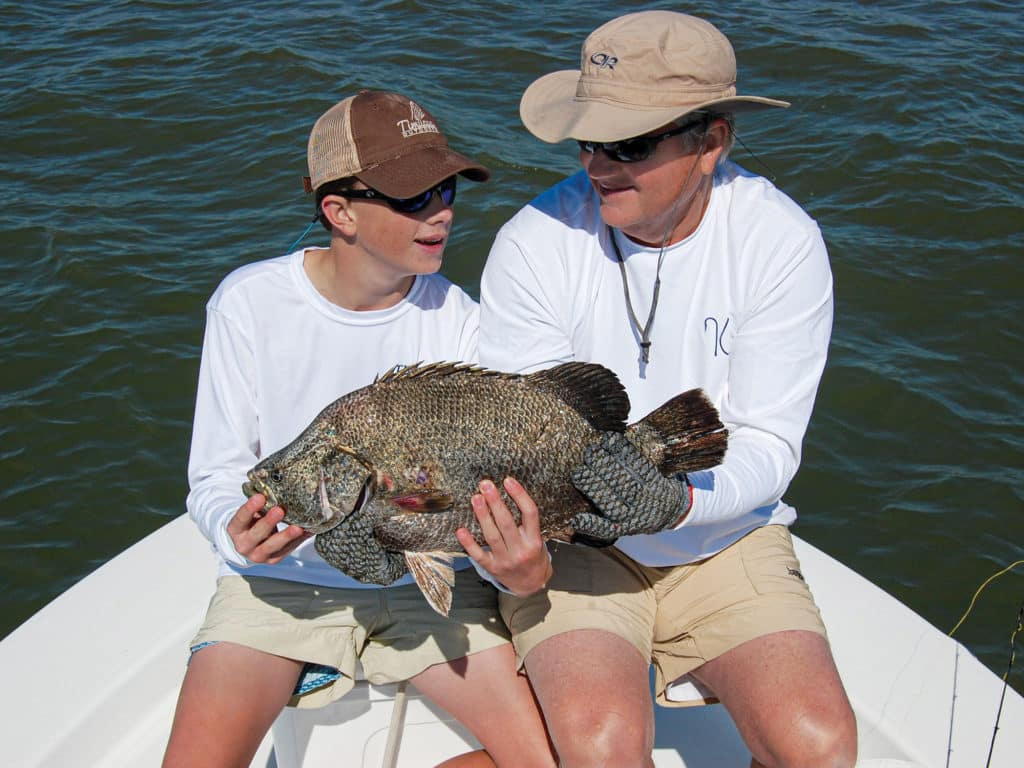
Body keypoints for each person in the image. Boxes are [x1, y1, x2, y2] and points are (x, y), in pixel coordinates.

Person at [474, 11, 857, 768]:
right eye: (589, 139)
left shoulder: (781, 242)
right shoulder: (533, 242)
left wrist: (681, 504)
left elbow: (769, 445)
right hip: (577, 543)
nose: (598, 163)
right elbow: (521, 440)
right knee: (603, 746)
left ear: (711, 142)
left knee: (819, 745)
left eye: (631, 144)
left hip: (726, 535)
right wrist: (515, 556)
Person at [164, 89, 555, 768]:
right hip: (283, 587)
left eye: (446, 189)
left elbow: (488, 487)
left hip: (430, 589)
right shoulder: (248, 303)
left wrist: (519, 559)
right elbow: (216, 474)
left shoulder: (462, 323)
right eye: (410, 198)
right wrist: (236, 528)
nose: (440, 212)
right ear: (337, 211)